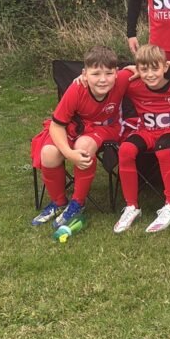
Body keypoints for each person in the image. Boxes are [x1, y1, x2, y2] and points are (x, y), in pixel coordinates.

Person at [31, 46, 131, 228]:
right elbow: (57, 125)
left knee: (83, 146)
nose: (102, 79)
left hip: (106, 127)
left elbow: (149, 66)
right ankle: (59, 202)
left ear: (117, 73)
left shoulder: (122, 78)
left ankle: (78, 203)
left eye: (109, 73)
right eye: (95, 74)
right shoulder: (77, 88)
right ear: (84, 74)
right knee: (49, 153)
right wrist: (69, 153)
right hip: (75, 127)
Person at [113, 45, 170, 233]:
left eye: (155, 69)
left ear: (165, 67)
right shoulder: (132, 84)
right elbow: (105, 78)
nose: (150, 74)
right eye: (144, 70)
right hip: (147, 130)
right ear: (138, 69)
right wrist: (82, 78)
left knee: (163, 147)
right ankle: (131, 206)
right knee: (126, 150)